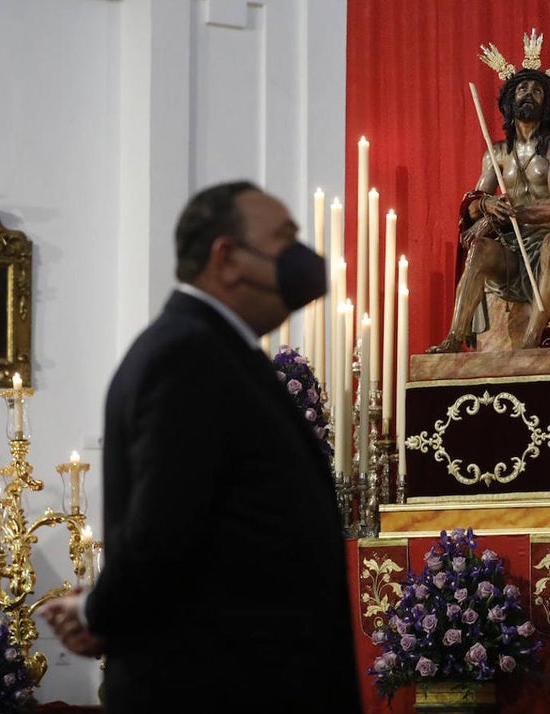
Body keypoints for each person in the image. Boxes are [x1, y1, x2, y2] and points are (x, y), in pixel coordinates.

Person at [38, 181, 363, 712]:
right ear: (227, 257)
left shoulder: (222, 352)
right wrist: (101, 613)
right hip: (218, 687)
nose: (303, 256)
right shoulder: (187, 357)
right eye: (284, 238)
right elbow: (161, 530)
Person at [427, 46, 550, 379]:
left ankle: (531, 341)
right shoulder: (496, 152)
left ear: (547, 104)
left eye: (537, 90)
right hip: (512, 243)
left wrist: (512, 211)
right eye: (522, 89)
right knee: (480, 249)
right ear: (509, 101)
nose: (529, 94)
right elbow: (475, 200)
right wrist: (486, 206)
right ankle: (455, 337)